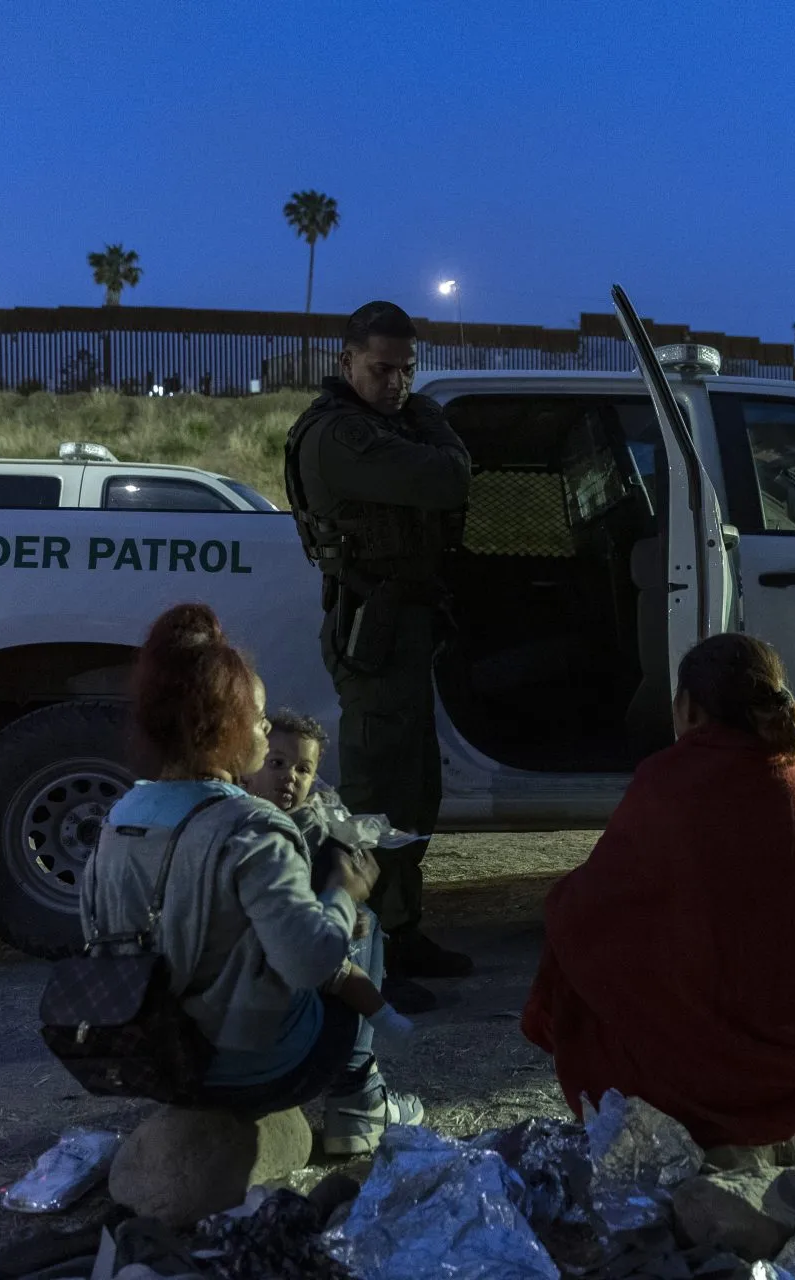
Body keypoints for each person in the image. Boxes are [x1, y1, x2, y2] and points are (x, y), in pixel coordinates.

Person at [521, 632, 795, 1153]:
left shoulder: (665, 779)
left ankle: (702, 1129)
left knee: (571, 933)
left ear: (688, 707)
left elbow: (594, 911)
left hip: (685, 1080)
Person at [79, 603, 421, 1155]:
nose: (266, 730)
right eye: (259, 718)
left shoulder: (120, 816)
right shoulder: (251, 824)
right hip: (249, 1068)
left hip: (154, 1057)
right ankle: (358, 1104)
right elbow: (310, 961)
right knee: (363, 926)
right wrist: (341, 891)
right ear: (227, 728)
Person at [284, 300, 474, 1006]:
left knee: (413, 789)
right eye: (381, 369)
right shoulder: (339, 436)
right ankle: (363, 952)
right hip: (371, 628)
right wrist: (429, 418)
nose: (396, 382)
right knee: (373, 796)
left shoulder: (383, 426)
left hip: (400, 623)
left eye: (406, 371)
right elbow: (447, 478)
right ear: (347, 364)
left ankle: (401, 927)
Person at [243, 710, 413, 1043]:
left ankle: (371, 1045)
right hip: (278, 948)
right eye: (277, 763)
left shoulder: (314, 822)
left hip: (308, 926)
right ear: (250, 768)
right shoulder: (246, 823)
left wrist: (348, 908)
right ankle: (360, 1069)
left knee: (368, 927)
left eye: (303, 770)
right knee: (344, 972)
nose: (290, 776)